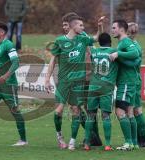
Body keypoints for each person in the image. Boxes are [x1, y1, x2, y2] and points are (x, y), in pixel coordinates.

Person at [45, 15, 103, 150]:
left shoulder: (82, 39)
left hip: (78, 82)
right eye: (81, 25)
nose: (83, 28)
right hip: (64, 82)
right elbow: (53, 60)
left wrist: (100, 26)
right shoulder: (59, 41)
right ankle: (59, 136)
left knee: (76, 110)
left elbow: (96, 38)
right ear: (73, 26)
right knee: (58, 111)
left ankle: (72, 141)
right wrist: (47, 79)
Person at [84, 33, 118, 151]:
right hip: (106, 87)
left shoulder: (95, 52)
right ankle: (107, 144)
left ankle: (87, 144)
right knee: (106, 116)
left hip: (93, 86)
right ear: (110, 42)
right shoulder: (114, 51)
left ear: (99, 42)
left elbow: (89, 44)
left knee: (90, 115)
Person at [110, 19, 139, 151]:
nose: (112, 30)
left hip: (126, 82)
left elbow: (135, 53)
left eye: (114, 27)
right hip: (129, 81)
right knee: (129, 113)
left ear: (121, 29)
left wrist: (118, 53)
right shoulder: (123, 42)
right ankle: (134, 143)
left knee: (119, 111)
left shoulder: (126, 41)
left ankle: (128, 143)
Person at [127, 22, 145, 147]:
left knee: (136, 111)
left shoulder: (133, 47)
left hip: (132, 81)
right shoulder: (136, 45)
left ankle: (140, 139)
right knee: (136, 110)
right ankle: (141, 139)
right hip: (136, 80)